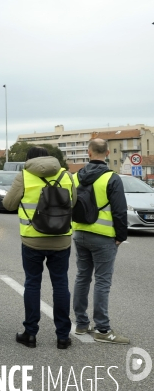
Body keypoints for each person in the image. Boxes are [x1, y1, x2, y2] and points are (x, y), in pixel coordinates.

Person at [3, 146, 76, 349]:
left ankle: (30, 334)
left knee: (33, 283)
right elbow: (74, 202)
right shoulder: (67, 175)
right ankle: (63, 336)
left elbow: (8, 204)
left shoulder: (24, 176)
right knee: (60, 283)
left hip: (32, 240)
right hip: (61, 239)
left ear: (29, 160)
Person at [72, 138, 129, 344]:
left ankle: (80, 323)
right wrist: (120, 236)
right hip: (104, 236)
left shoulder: (75, 176)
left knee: (82, 277)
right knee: (102, 282)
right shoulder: (112, 178)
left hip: (79, 233)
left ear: (88, 152)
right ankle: (102, 329)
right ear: (106, 154)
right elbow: (120, 211)